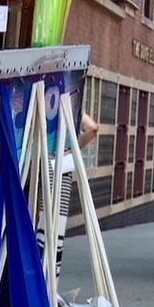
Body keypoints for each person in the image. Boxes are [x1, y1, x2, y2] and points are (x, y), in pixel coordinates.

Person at [37, 110, 99, 277]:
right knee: (52, 233)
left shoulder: (37, 99)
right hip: (60, 169)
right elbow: (92, 127)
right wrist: (72, 149)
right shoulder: (70, 105)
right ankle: (48, 283)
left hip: (35, 165)